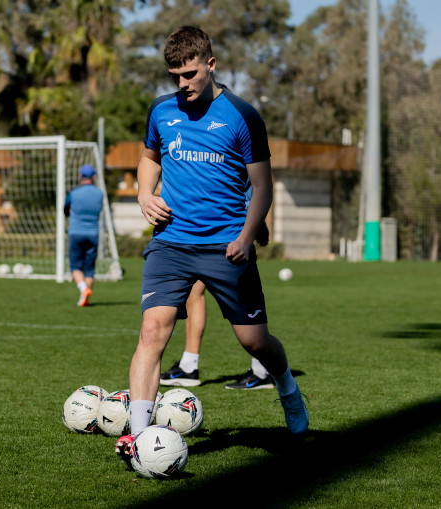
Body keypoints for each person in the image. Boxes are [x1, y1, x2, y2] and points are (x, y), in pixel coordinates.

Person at [116, 25, 308, 467]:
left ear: (210, 64)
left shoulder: (243, 116)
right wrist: (145, 195)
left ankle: (288, 391)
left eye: (189, 75)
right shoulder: (161, 112)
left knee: (255, 342)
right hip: (171, 243)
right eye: (173, 77)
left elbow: (262, 185)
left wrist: (245, 235)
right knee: (152, 332)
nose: (181, 85)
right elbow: (149, 159)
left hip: (227, 247)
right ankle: (140, 438)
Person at [160, 223, 276, 390]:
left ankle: (261, 371)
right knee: (194, 289)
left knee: (242, 296)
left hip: (231, 231)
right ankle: (188, 366)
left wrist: (260, 225)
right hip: (211, 231)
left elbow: (252, 196)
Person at [63, 164, 104, 307]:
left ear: (80, 176)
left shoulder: (73, 193)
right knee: (89, 269)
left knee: (75, 267)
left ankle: (83, 289)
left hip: (75, 232)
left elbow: (65, 209)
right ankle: (84, 298)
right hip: (93, 233)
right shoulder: (100, 193)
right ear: (93, 177)